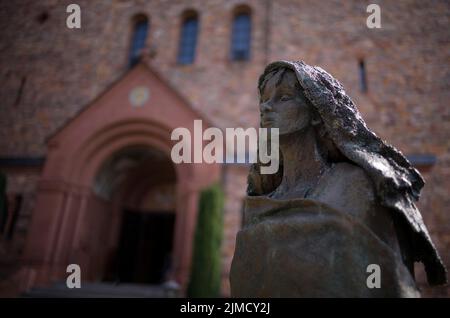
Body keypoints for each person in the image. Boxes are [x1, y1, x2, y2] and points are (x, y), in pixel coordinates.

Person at [230, 60, 447, 297]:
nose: (266, 108)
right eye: (264, 100)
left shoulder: (355, 187)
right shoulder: (260, 204)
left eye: (283, 97)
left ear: (316, 112)